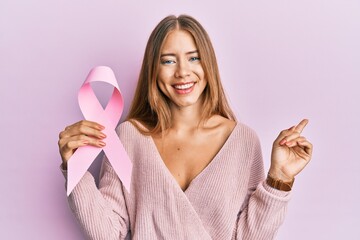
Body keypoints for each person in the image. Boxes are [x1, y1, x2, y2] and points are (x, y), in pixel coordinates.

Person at [58, 15, 313, 240]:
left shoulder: (243, 140)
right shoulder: (129, 137)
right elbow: (107, 233)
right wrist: (75, 168)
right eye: (168, 61)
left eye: (194, 58)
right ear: (153, 71)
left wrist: (280, 178)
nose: (182, 72)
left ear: (208, 65)